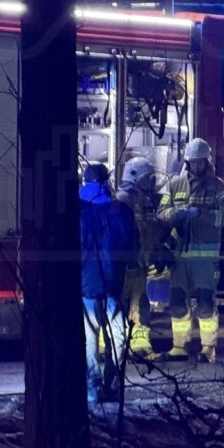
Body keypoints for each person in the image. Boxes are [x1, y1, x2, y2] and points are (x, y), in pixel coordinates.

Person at [158, 138, 224, 363]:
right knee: (178, 302)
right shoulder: (175, 184)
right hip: (180, 257)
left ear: (206, 162)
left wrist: (202, 215)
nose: (197, 166)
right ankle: (180, 346)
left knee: (205, 304)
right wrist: (177, 214)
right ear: (187, 162)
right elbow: (162, 213)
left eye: (201, 162)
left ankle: (208, 348)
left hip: (205, 258)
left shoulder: (217, 186)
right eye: (193, 162)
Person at [80, 162, 137, 403]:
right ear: (106, 182)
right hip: (114, 284)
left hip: (86, 285)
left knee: (89, 339)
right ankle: (112, 383)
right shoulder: (121, 210)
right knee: (118, 337)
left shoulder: (77, 210)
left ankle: (92, 388)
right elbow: (132, 246)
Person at [116, 157, 164, 361]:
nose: (150, 184)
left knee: (140, 307)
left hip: (140, 266)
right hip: (126, 267)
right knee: (120, 307)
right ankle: (114, 349)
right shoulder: (123, 200)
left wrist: (156, 254)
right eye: (147, 179)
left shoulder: (144, 201)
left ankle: (140, 347)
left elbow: (151, 232)